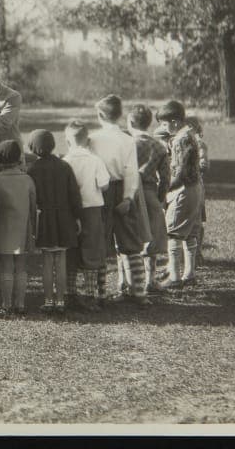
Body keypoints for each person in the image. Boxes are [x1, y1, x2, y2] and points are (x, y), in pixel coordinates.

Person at [89, 95, 152, 307]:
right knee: (130, 243)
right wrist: (128, 197)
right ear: (120, 115)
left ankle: (99, 293)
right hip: (123, 189)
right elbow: (132, 172)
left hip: (101, 191)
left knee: (99, 242)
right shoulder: (127, 139)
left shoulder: (93, 139)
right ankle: (139, 291)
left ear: (99, 115)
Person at [28, 129, 81, 314]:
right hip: (65, 219)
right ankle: (60, 301)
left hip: (45, 220)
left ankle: (48, 300)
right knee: (61, 260)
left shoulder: (32, 169)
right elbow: (74, 195)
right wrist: (77, 217)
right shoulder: (64, 166)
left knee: (48, 260)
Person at [61, 120, 110, 312]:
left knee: (71, 251)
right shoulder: (95, 160)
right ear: (87, 140)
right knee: (92, 251)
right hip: (91, 209)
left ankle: (70, 294)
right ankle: (90, 296)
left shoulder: (65, 161)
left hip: (70, 211)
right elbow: (104, 185)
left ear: (67, 141)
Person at [0, 140, 36, 316]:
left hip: (2, 228)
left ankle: (6, 304)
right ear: (19, 158)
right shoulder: (27, 179)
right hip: (23, 227)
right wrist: (34, 230)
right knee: (21, 267)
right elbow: (33, 207)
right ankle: (20, 304)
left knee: (6, 267)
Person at [157, 100, 202, 288]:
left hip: (183, 190)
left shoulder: (180, 139)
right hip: (196, 188)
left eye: (165, 124)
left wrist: (165, 188)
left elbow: (180, 170)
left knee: (173, 233)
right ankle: (189, 274)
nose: (163, 128)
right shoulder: (191, 134)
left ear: (175, 122)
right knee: (190, 232)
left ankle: (175, 278)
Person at [129, 105, 171, 293]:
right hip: (150, 192)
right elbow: (165, 177)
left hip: (130, 192)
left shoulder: (128, 143)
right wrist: (161, 197)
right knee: (151, 240)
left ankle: (127, 280)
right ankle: (150, 279)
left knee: (129, 238)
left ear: (130, 122)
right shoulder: (159, 146)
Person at [184, 115, 210, 266]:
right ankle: (188, 253)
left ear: (193, 127)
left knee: (197, 220)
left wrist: (190, 169)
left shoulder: (199, 144)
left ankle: (197, 252)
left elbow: (204, 164)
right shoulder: (180, 142)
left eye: (187, 126)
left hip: (195, 185)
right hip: (183, 185)